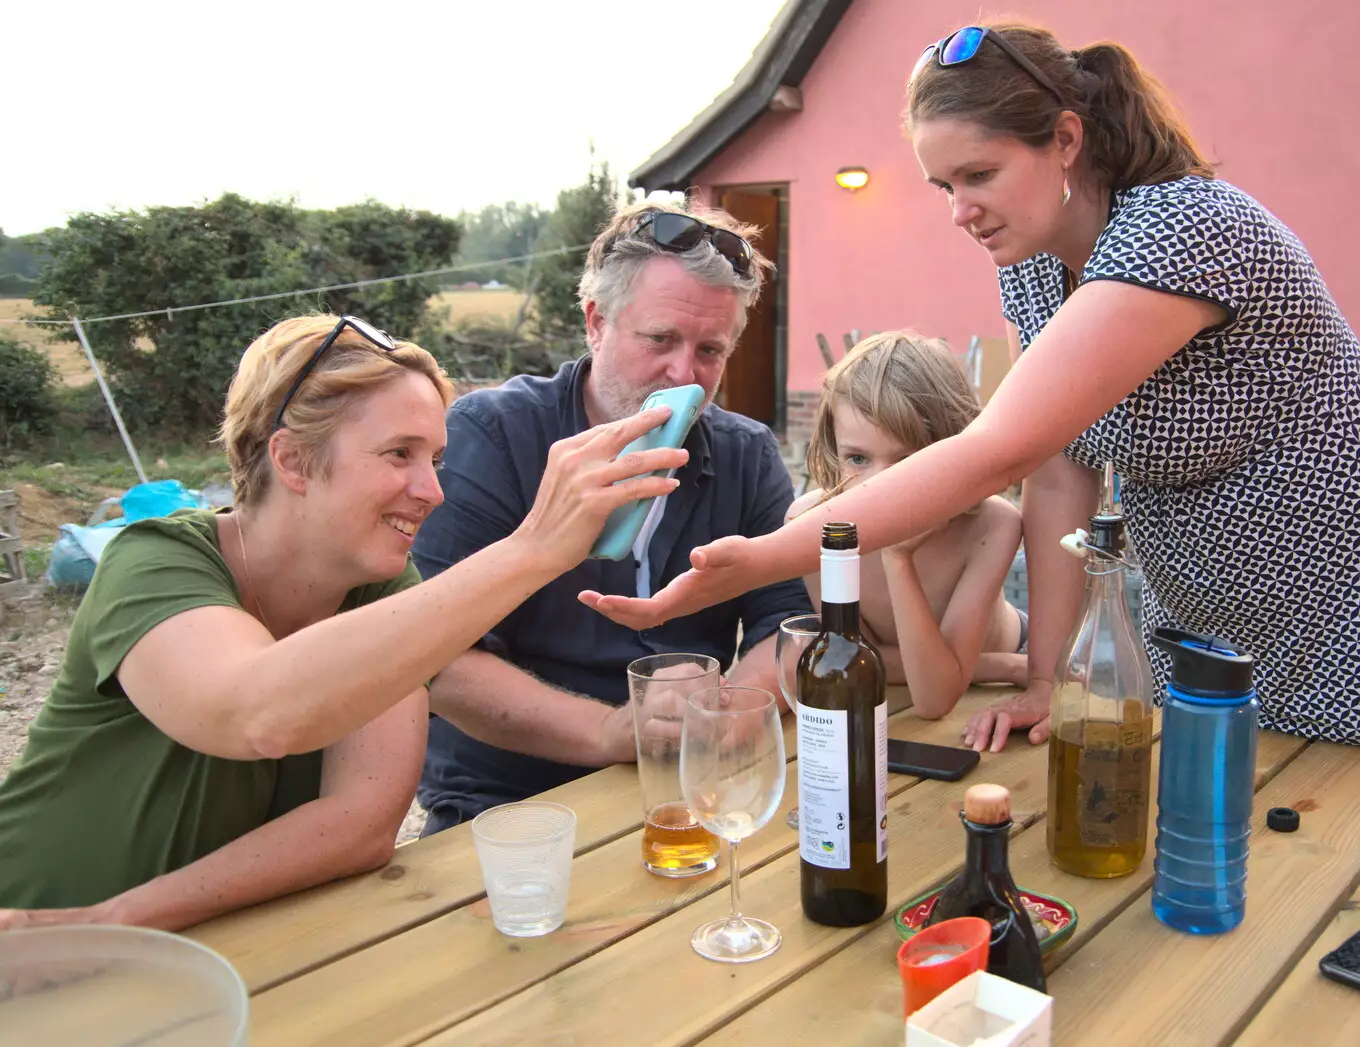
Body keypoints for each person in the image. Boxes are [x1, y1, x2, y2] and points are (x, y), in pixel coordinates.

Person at [581, 24, 1360, 757]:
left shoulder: (1185, 227)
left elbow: (995, 451)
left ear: (1065, 140)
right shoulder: (1037, 269)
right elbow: (1055, 474)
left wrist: (764, 555)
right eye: (943, 185)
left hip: (1353, 587)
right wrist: (1048, 676)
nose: (958, 209)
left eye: (978, 175)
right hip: (1202, 606)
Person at [0, 313, 685, 929]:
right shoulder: (153, 561)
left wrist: (125, 915)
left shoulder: (380, 587)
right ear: (293, 459)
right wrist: (533, 548)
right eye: (400, 454)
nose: (434, 490)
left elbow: (358, 824)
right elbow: (258, 711)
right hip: (32, 937)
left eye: (436, 459)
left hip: (172, 945)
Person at [412, 201, 812, 834]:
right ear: (596, 323)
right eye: (660, 339)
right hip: (509, 800)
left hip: (694, 783)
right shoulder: (491, 435)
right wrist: (609, 731)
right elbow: (438, 660)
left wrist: (723, 705)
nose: (685, 372)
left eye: (711, 349)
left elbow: (791, 627)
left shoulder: (746, 453)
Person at [786, 331, 1027, 717]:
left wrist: (898, 559)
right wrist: (1000, 667)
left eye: (905, 460)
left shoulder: (992, 524)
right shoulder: (813, 523)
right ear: (833, 447)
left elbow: (934, 699)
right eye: (858, 459)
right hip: (998, 670)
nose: (880, 486)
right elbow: (852, 662)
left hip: (1007, 674)